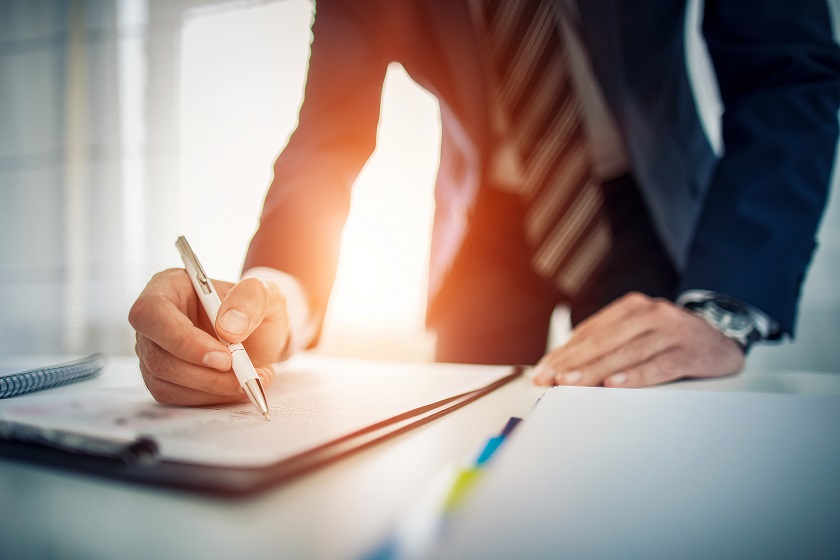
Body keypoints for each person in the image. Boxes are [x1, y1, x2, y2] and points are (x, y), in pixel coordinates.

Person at [129, 0, 840, 405]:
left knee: (650, 428)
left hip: (649, 210)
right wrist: (274, 298)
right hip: (485, 228)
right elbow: (328, 138)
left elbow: (785, 76)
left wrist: (722, 306)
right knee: (461, 438)